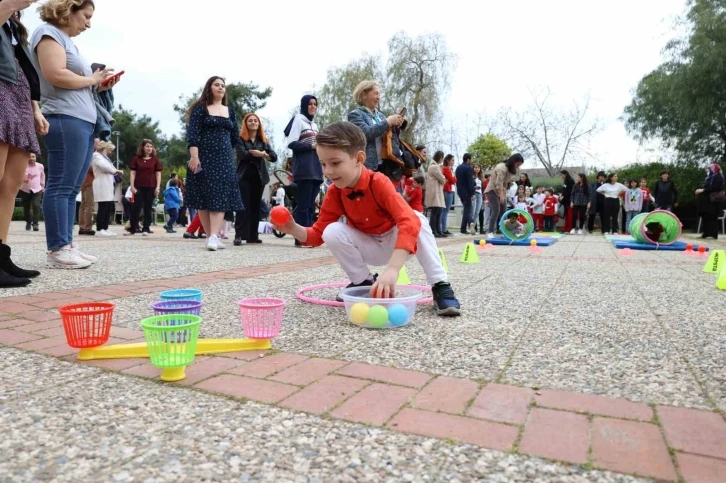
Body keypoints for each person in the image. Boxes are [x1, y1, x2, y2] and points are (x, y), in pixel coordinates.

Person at [272, 122, 461, 316]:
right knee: (332, 231)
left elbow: (407, 222)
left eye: (335, 163)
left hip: (398, 244)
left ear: (359, 159)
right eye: (323, 164)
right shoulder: (335, 192)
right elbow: (318, 235)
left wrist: (393, 270)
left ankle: (440, 285)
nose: (328, 171)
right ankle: (363, 281)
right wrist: (292, 227)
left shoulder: (378, 182)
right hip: (368, 244)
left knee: (417, 218)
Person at [31, 0, 118, 268]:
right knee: (61, 185)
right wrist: (92, 79)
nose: (88, 23)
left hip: (80, 119)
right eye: (86, 16)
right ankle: (57, 249)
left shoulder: (67, 41)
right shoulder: (48, 34)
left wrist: (99, 86)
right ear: (69, 10)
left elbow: (74, 82)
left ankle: (66, 244)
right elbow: (55, 74)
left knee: (71, 189)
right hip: (64, 118)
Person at [0, 2, 49, 286]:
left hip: (18, 96)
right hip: (1, 92)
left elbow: (23, 65)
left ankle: (2, 254)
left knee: (10, 184)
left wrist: (35, 109)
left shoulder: (13, 22)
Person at [185, 76, 244, 251]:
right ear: (209, 88)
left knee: (219, 194)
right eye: (216, 84)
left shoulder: (230, 111)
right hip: (204, 156)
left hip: (224, 158)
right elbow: (193, 134)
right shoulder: (200, 109)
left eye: (223, 85)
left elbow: (234, 137)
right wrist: (195, 157)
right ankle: (211, 236)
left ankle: (214, 236)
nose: (220, 88)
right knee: (204, 196)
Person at [285, 95, 322, 247]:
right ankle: (301, 238)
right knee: (304, 204)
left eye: (315, 104)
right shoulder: (298, 120)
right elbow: (292, 143)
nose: (313, 106)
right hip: (304, 168)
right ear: (304, 105)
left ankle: (308, 235)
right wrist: (310, 146)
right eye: (310, 104)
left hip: (316, 168)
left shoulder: (314, 125)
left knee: (310, 204)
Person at [234, 112, 277, 245]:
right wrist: (261, 154)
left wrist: (263, 154)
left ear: (259, 124)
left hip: (259, 177)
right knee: (243, 206)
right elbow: (243, 154)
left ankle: (253, 235)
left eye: (255, 121)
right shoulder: (240, 138)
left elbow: (274, 156)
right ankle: (239, 235)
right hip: (244, 176)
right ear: (246, 124)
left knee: (255, 206)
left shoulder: (263, 140)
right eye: (250, 121)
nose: (253, 122)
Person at [347, 81, 403, 171]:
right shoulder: (355, 115)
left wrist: (396, 125)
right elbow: (365, 134)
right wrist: (388, 122)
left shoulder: (380, 116)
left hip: (384, 166)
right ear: (364, 94)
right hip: (367, 166)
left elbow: (389, 138)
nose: (378, 97)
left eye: (379, 94)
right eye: (376, 93)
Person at [125, 139, 162, 236]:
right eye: (147, 146)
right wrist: (132, 186)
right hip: (138, 186)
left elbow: (158, 174)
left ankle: (146, 228)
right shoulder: (136, 159)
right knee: (136, 207)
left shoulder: (155, 160)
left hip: (151, 187)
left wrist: (157, 187)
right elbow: (133, 173)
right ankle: (132, 228)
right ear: (143, 147)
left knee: (148, 208)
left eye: (151, 146)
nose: (149, 148)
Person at [483, 153, 524, 238]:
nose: (517, 166)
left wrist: (504, 194)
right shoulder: (501, 168)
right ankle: (490, 231)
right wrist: (501, 196)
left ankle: (504, 230)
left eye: (519, 165)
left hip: (502, 191)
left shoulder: (511, 169)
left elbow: (506, 184)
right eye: (517, 164)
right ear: (514, 161)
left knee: (504, 212)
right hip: (492, 190)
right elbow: (499, 184)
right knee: (496, 210)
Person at [91, 140, 121, 236]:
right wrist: (115, 170)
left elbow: (109, 167)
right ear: (105, 148)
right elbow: (105, 167)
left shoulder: (105, 157)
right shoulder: (96, 156)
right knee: (103, 206)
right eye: (109, 150)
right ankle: (99, 229)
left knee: (108, 206)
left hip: (107, 183)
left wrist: (113, 170)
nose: (110, 152)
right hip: (101, 183)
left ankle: (105, 227)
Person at [696, 163, 724, 240]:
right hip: (706, 201)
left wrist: (703, 190)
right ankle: (706, 233)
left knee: (712, 217)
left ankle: (713, 234)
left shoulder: (718, 177)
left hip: (713, 201)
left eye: (709, 168)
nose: (707, 170)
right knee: (706, 216)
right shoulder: (709, 177)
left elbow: (714, 188)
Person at [19, 153, 45, 232]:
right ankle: (28, 222)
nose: (31, 158)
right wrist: (23, 180)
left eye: (33, 156)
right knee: (26, 207)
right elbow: (18, 176)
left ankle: (35, 224)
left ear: (35, 158)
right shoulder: (22, 166)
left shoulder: (40, 166)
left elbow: (42, 175)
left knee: (36, 205)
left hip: (37, 189)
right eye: (29, 157)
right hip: (25, 189)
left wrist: (42, 185)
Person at [425, 151, 446, 238]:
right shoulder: (435, 167)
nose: (442, 159)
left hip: (436, 191)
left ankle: (438, 230)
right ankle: (434, 230)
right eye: (442, 157)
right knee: (436, 211)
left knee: (438, 211)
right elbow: (442, 179)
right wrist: (444, 178)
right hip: (435, 192)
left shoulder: (433, 166)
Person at [455, 153, 476, 235]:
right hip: (467, 191)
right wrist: (473, 193)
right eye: (470, 159)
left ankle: (464, 227)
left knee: (467, 209)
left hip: (460, 191)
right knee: (468, 209)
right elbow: (470, 182)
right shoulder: (468, 168)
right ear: (468, 159)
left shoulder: (458, 168)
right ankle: (469, 224)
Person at [440, 154, 456, 235]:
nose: (453, 162)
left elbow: (454, 179)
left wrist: (452, 179)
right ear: (448, 160)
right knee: (445, 210)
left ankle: (443, 228)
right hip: (447, 190)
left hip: (451, 190)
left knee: (446, 210)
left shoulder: (450, 169)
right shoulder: (446, 169)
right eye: (452, 160)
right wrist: (452, 179)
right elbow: (452, 180)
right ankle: (443, 228)